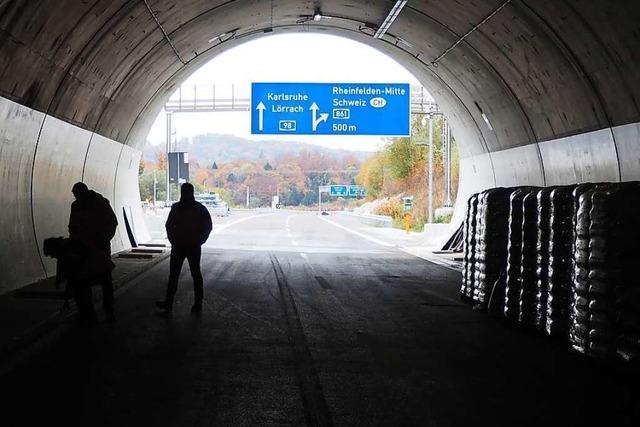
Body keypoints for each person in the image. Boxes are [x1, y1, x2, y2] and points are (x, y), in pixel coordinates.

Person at [156, 183, 212, 313]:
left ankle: (169, 303)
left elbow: (169, 225)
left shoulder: (176, 208)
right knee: (196, 274)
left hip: (179, 246)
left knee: (174, 275)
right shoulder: (199, 208)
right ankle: (198, 304)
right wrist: (200, 240)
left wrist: (173, 239)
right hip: (193, 246)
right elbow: (207, 226)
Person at [68, 182, 118, 322]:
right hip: (91, 247)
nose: (76, 198)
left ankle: (98, 311)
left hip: (95, 247)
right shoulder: (96, 203)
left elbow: (73, 226)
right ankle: (103, 310)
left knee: (96, 279)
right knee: (101, 280)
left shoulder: (95, 204)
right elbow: (112, 222)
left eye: (76, 195)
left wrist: (100, 239)